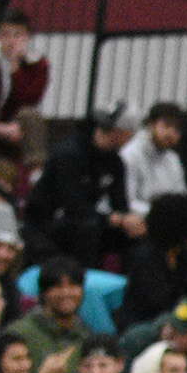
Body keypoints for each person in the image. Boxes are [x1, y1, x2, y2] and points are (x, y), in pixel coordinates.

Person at [25, 103, 147, 268]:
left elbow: (120, 202)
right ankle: (84, 279)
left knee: (137, 233)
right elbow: (72, 204)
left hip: (87, 217)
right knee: (88, 228)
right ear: (120, 132)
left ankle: (132, 285)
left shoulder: (115, 162)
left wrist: (128, 220)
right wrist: (113, 219)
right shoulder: (70, 154)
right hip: (50, 220)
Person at [114, 193, 187, 333]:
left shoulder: (183, 256)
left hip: (179, 319)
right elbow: (157, 303)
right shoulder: (143, 257)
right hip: (145, 326)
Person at [0, 11, 48, 164]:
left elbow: (30, 99)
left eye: (17, 35)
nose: (11, 41)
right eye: (6, 35)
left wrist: (16, 70)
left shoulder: (38, 65)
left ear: (27, 38)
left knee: (31, 115)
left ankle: (36, 171)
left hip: (16, 123)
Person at [10, 258, 91, 373]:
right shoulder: (18, 334)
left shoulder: (86, 337)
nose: (66, 293)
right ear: (44, 293)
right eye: (58, 287)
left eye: (72, 285)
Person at [122, 103, 187, 211]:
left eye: (177, 129)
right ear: (151, 125)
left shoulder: (173, 159)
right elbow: (127, 201)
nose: (171, 133)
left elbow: (181, 197)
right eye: (167, 125)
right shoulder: (130, 154)